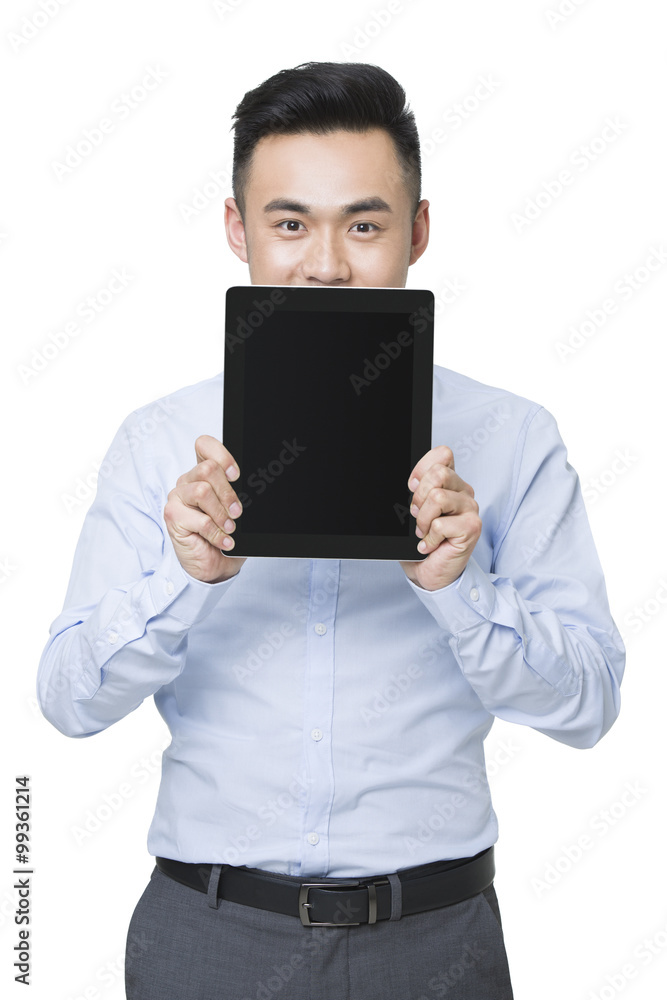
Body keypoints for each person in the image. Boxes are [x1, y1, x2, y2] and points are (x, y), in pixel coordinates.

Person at [37, 61, 625, 999]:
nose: (325, 262)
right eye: (288, 223)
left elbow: (589, 706)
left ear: (416, 232)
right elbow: (68, 701)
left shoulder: (511, 439)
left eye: (363, 224)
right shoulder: (158, 442)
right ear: (237, 231)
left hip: (436, 942)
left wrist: (460, 584)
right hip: (210, 936)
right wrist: (185, 577)